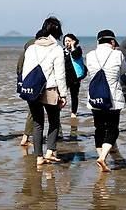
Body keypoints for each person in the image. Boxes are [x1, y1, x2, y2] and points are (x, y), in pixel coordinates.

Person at [21, 17, 68, 166]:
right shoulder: (57, 49)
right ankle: (50, 151)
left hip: (32, 89)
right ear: (58, 32)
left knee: (37, 123)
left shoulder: (31, 48)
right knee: (54, 120)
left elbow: (25, 71)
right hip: (50, 90)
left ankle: (39, 157)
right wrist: (64, 94)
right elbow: (60, 75)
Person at [86, 30, 126, 172]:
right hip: (113, 98)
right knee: (113, 128)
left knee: (99, 128)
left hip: (95, 96)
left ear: (98, 42)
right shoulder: (118, 54)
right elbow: (124, 70)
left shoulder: (90, 55)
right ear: (113, 42)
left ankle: (101, 158)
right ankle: (103, 157)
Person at [17, 32, 39, 146]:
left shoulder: (25, 52)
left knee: (32, 111)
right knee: (32, 112)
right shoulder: (35, 50)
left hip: (27, 85)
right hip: (35, 85)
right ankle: (25, 138)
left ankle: (26, 137)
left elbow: (19, 68)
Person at [63, 33, 85, 118]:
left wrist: (72, 47)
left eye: (69, 41)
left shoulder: (77, 50)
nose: (67, 42)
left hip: (75, 78)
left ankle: (73, 113)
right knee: (62, 95)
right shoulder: (62, 51)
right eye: (65, 41)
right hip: (64, 77)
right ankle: (58, 109)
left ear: (74, 41)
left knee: (74, 96)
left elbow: (75, 55)